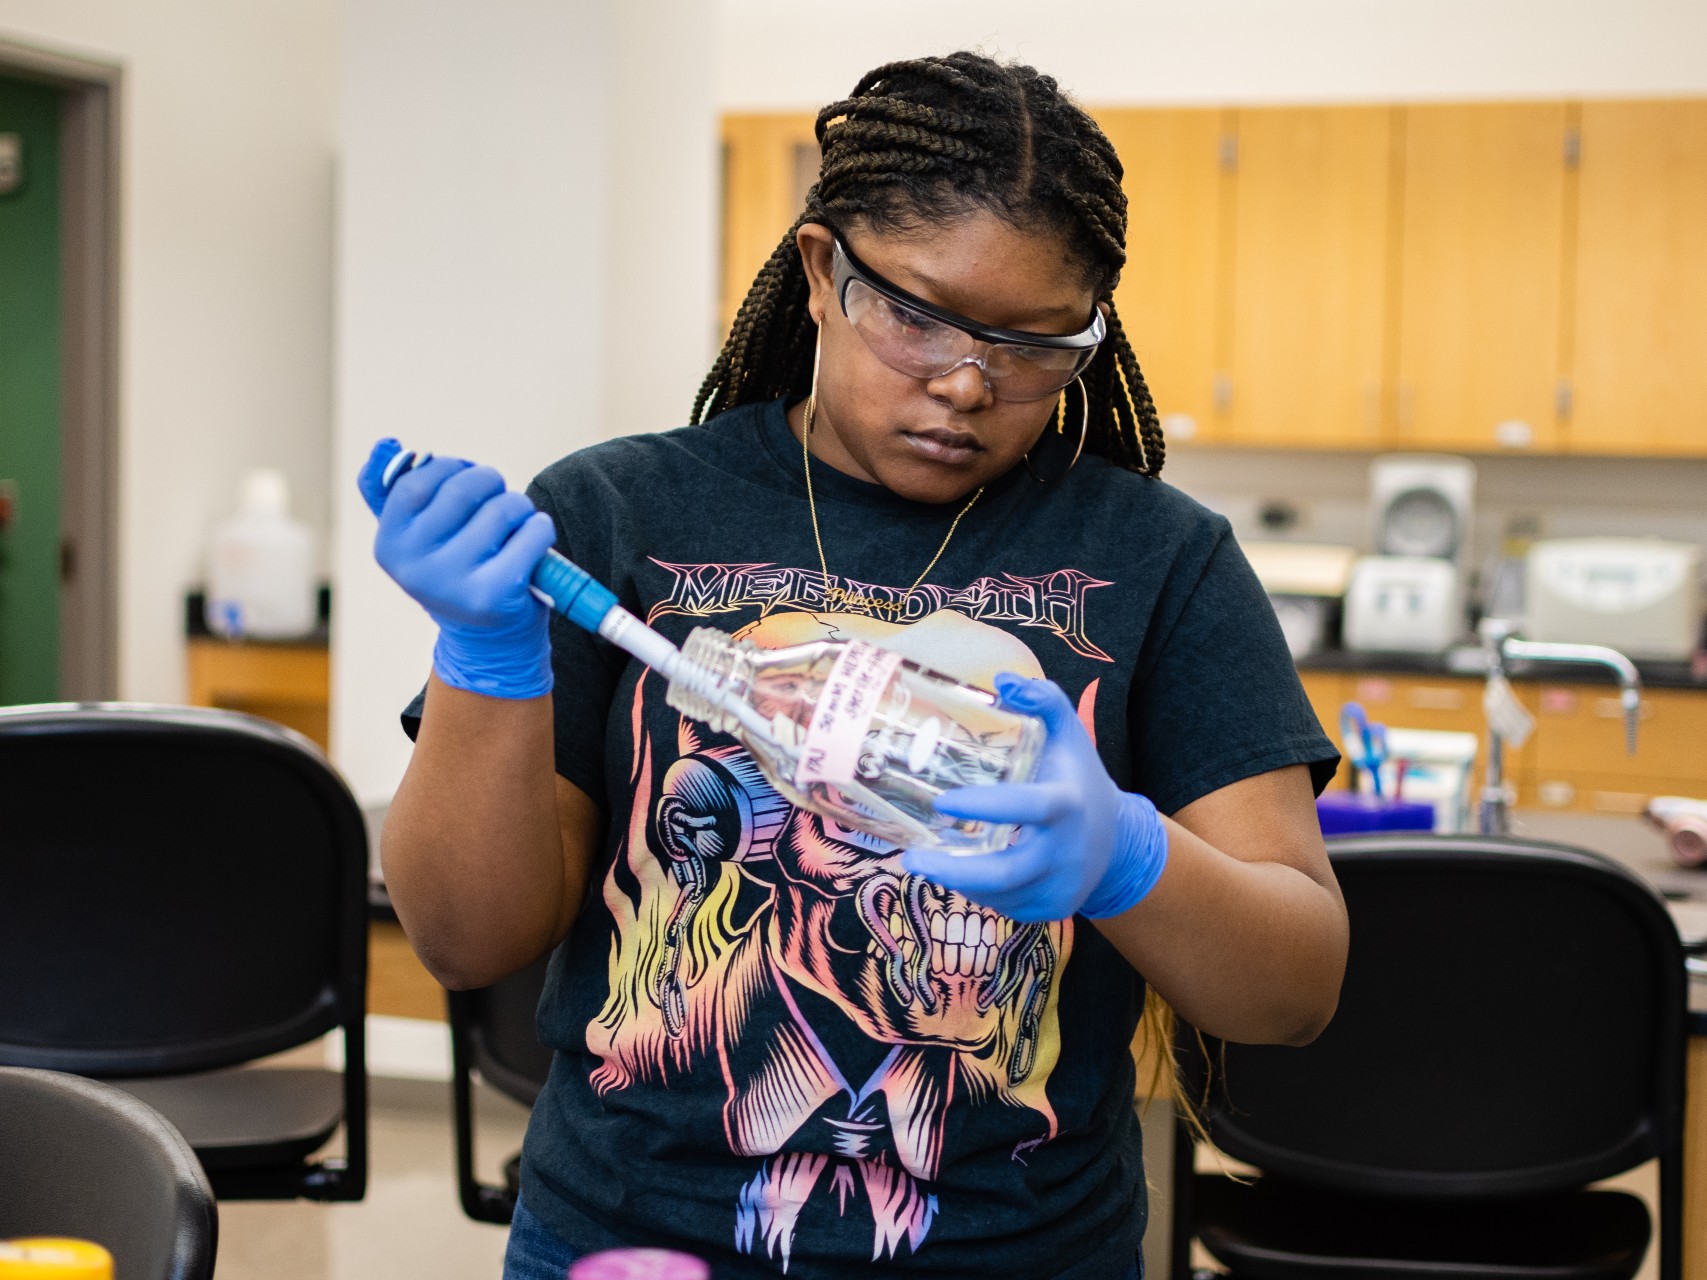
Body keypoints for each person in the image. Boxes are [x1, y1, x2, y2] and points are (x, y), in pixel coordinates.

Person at [365, 52, 1348, 1280]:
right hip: (630, 1242)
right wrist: (487, 655)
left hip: (1023, 1254)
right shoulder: (622, 508)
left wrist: (1128, 856)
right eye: (921, 316)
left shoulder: (1159, 559)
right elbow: (464, 939)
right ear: (824, 270)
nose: (969, 382)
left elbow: (1293, 989)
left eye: (1037, 344)